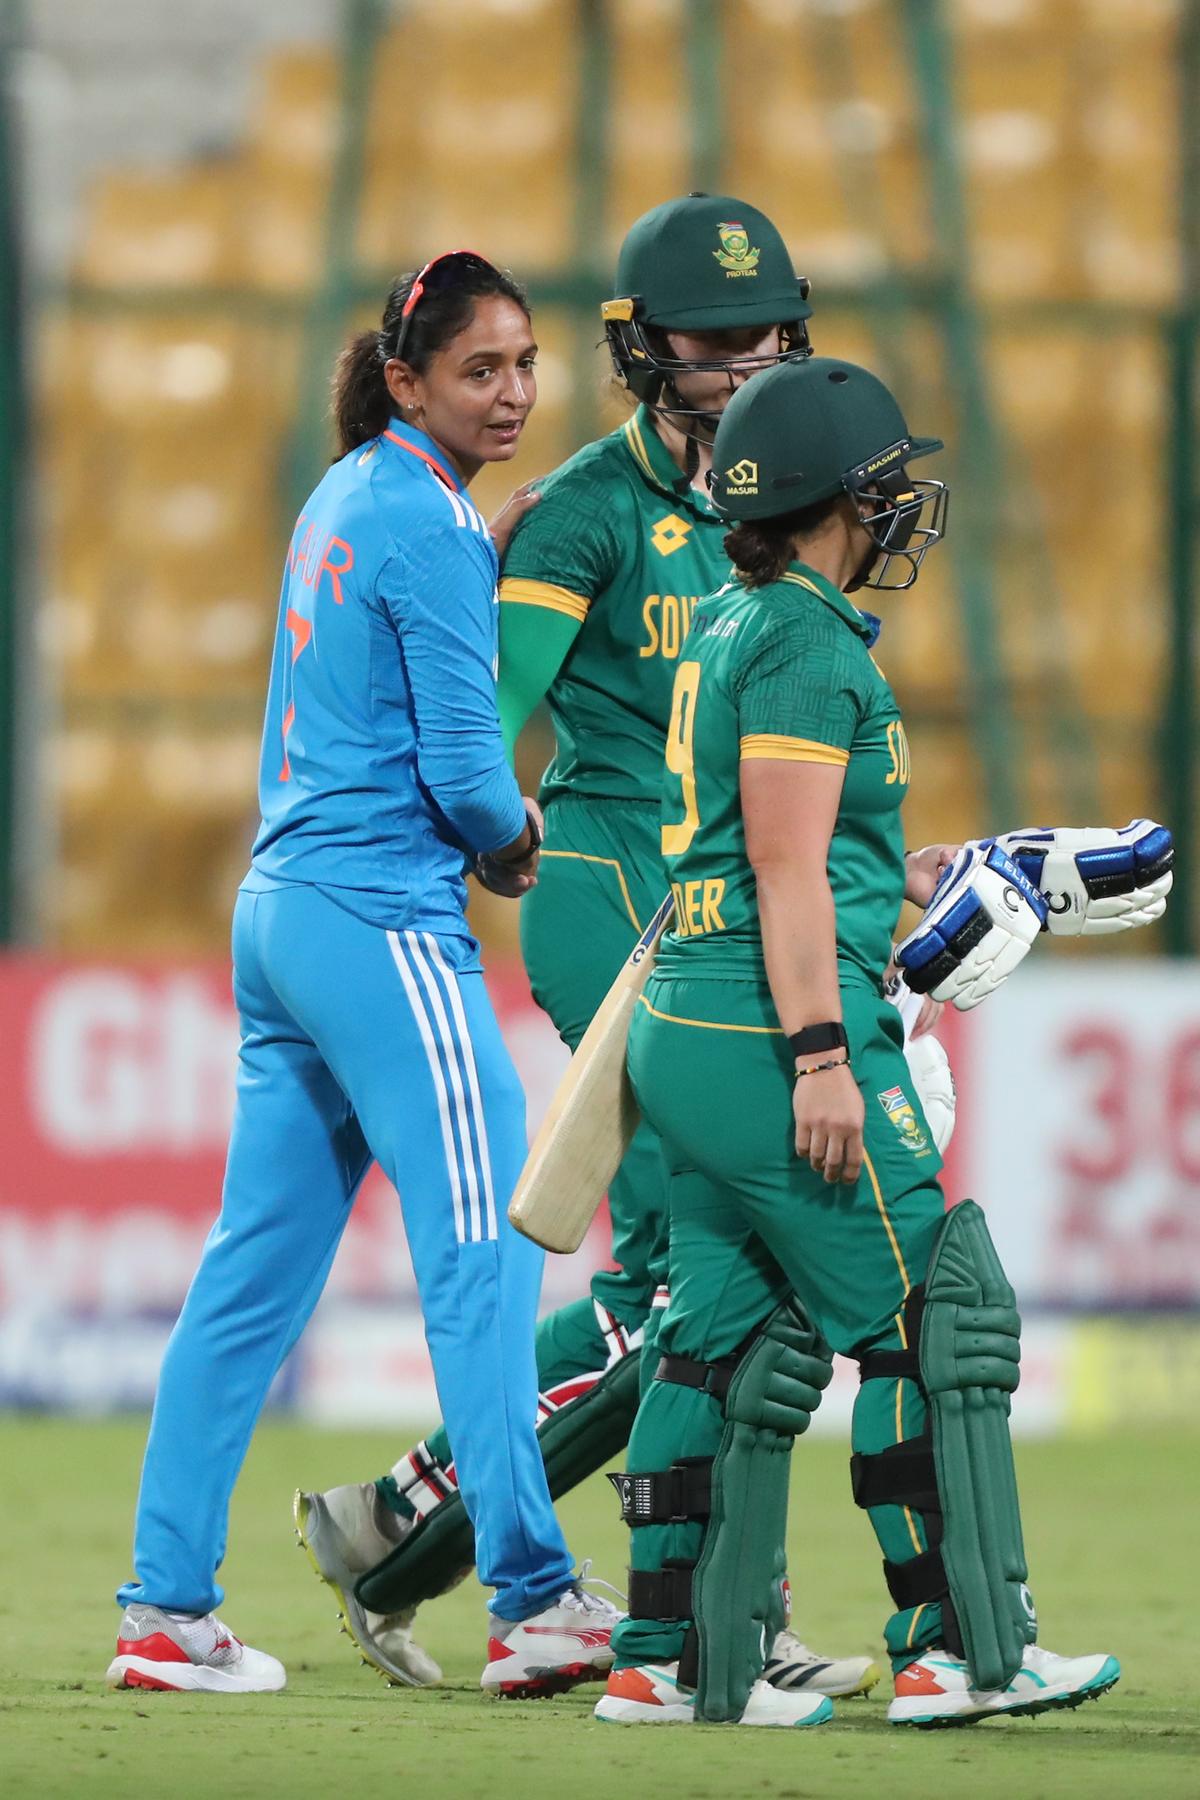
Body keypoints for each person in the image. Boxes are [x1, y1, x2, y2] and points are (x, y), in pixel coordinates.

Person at [296, 195, 880, 1702]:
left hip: (710, 918)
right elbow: (484, 724)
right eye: (714, 339)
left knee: (697, 1280)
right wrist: (452, 871)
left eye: (768, 330)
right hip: (606, 901)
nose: (750, 360)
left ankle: (396, 1528)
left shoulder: (786, 500)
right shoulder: (580, 514)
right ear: (641, 352)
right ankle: (714, 1617)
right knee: (715, 1271)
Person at [106, 252, 620, 1699]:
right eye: (479, 369)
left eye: (524, 363)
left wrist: (474, 546)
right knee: (485, 1252)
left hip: (282, 917)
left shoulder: (350, 495)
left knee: (251, 1278)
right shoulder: (431, 528)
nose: (513, 391)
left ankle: (164, 1609)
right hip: (385, 921)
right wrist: (517, 844)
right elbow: (466, 779)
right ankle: (532, 1599)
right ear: (407, 379)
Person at [593, 353, 1122, 1728]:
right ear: (838, 498)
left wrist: (921, 876)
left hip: (692, 1019)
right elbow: (785, 868)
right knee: (931, 1313)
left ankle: (665, 1659)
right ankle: (961, 1650)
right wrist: (825, 1052)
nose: (903, 507)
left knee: (715, 1338)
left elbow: (782, 852)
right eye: (886, 485)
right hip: (773, 1028)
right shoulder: (808, 644)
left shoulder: (731, 618)